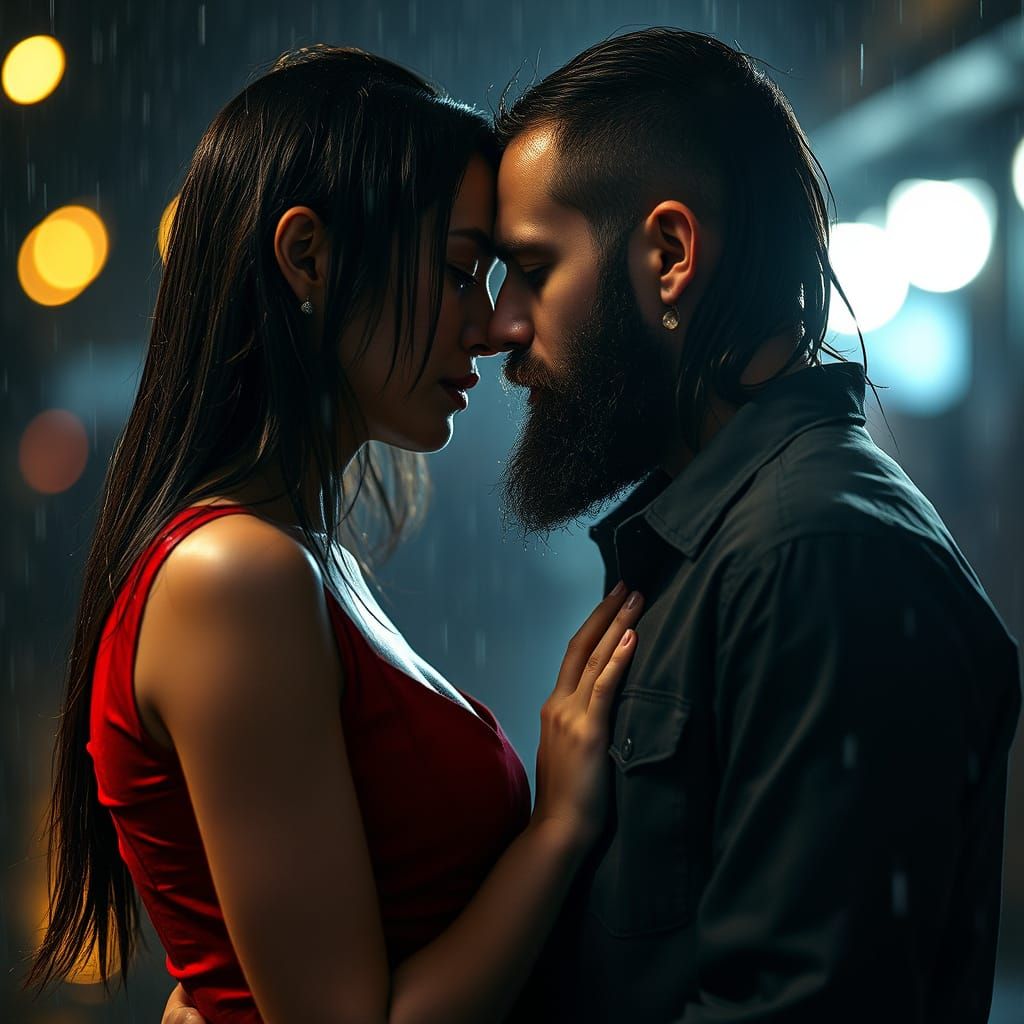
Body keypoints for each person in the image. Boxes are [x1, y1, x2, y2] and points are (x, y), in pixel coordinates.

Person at [168, 27, 1021, 1024]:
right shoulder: (729, 542)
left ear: (667, 254)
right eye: (477, 277)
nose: (499, 329)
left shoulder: (819, 559)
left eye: (530, 269)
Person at [24, 45, 647, 1024]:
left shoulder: (301, 558)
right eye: (456, 273)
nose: (490, 327)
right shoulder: (235, 575)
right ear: (306, 255)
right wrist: (559, 826)